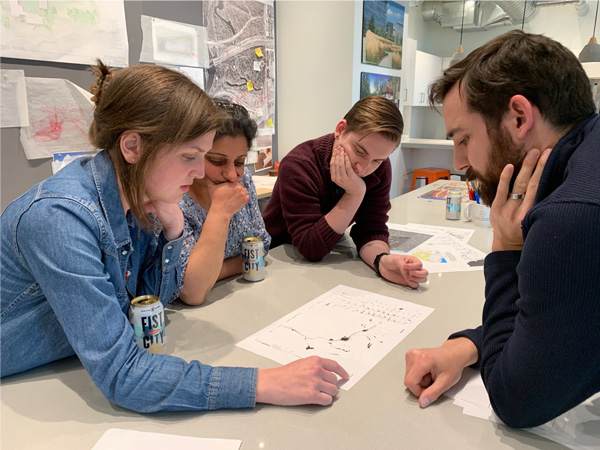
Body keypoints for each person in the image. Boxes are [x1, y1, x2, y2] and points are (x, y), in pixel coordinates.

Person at [0, 61, 349, 413]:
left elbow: (153, 304)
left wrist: (174, 231)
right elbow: (124, 376)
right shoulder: (59, 219)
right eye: (189, 156)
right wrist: (263, 382)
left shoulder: (142, 195)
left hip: (61, 366)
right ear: (132, 147)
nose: (199, 172)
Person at [404, 30, 600, 428]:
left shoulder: (571, 218)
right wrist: (470, 344)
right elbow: (562, 320)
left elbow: (516, 400)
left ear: (519, 117)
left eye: (463, 138)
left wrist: (507, 249)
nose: (460, 161)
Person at [262, 96, 429, 288]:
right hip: (277, 260)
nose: (363, 168)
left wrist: (381, 261)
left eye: (377, 160)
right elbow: (309, 247)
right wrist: (354, 194)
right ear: (340, 130)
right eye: (359, 151)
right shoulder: (299, 164)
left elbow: (371, 229)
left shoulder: (380, 168)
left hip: (326, 262)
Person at [174, 99, 271, 306]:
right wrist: (220, 212)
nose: (230, 175)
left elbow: (262, 246)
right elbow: (191, 290)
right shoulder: (175, 199)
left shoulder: (243, 179)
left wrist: (212, 271)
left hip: (245, 300)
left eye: (239, 162)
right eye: (217, 162)